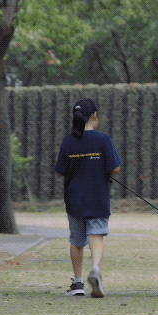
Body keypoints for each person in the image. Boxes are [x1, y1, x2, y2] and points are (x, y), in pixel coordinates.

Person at [54, 99, 122, 298]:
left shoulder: (68, 141)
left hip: (74, 199)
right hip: (98, 197)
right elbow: (115, 168)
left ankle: (78, 283)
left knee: (76, 241)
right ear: (95, 116)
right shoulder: (103, 140)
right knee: (96, 234)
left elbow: (59, 172)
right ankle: (96, 270)